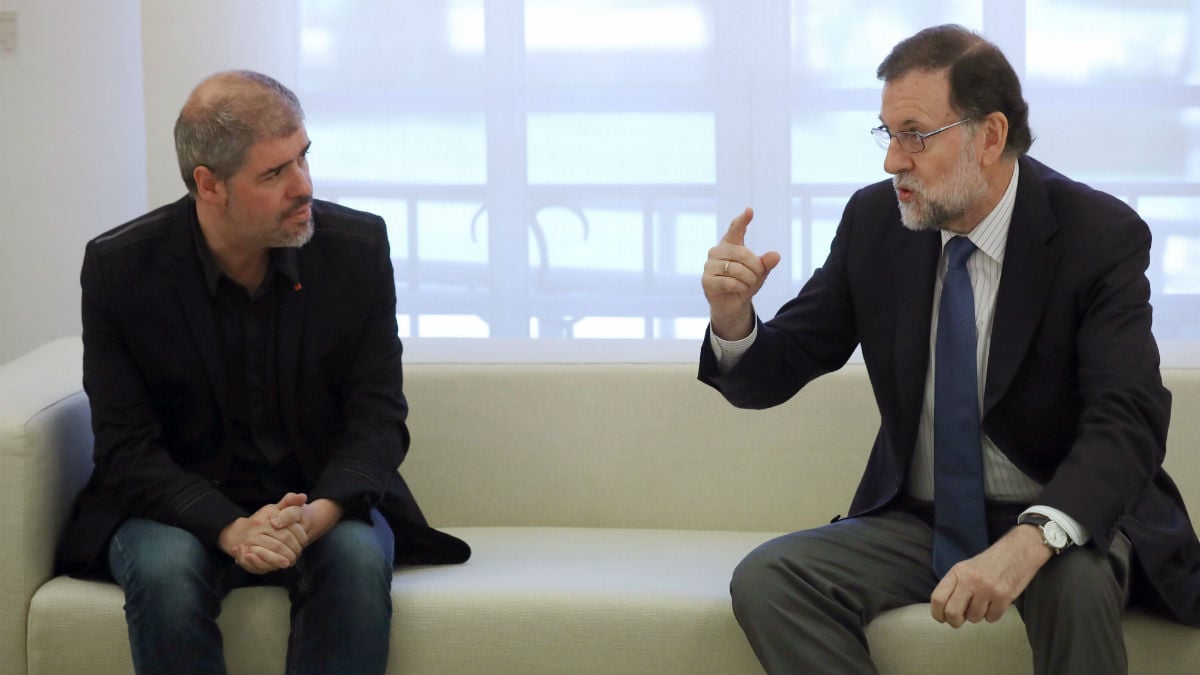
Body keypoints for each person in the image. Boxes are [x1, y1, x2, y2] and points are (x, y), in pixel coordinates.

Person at [700, 24, 1200, 675]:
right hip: (920, 519)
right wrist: (734, 319)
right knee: (771, 578)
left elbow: (1127, 417)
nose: (891, 161)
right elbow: (782, 364)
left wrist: (1032, 538)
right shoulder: (875, 223)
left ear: (989, 137)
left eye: (916, 134)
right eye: (887, 134)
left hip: (1065, 511)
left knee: (1071, 580)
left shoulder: (1096, 234)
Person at [55, 70, 470, 675]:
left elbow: (377, 417)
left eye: (303, 158)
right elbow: (126, 448)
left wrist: (315, 515)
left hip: (318, 500)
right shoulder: (121, 270)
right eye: (274, 174)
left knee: (354, 562)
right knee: (166, 572)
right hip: (174, 505)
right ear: (209, 185)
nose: (303, 186)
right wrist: (229, 528)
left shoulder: (355, 249)